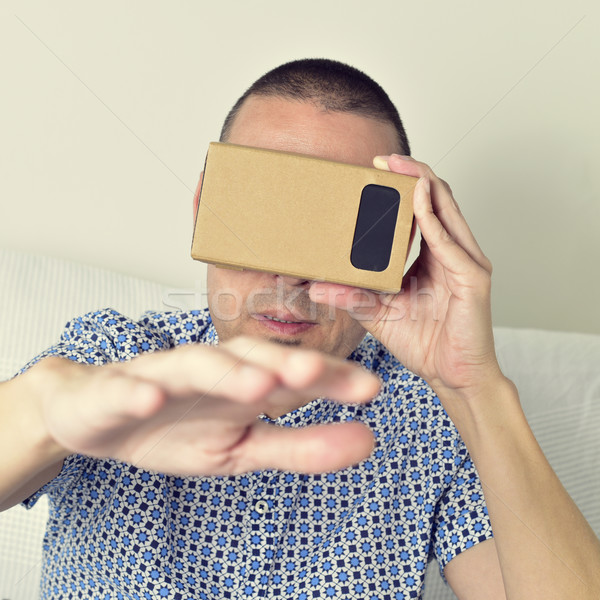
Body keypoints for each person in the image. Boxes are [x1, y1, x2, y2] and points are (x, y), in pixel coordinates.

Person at [1, 58, 599, 600]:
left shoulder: (433, 415)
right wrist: (46, 415)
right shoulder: (113, 361)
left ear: (399, 241)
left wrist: (475, 388)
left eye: (335, 229)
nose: (289, 275)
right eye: (263, 211)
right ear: (206, 208)